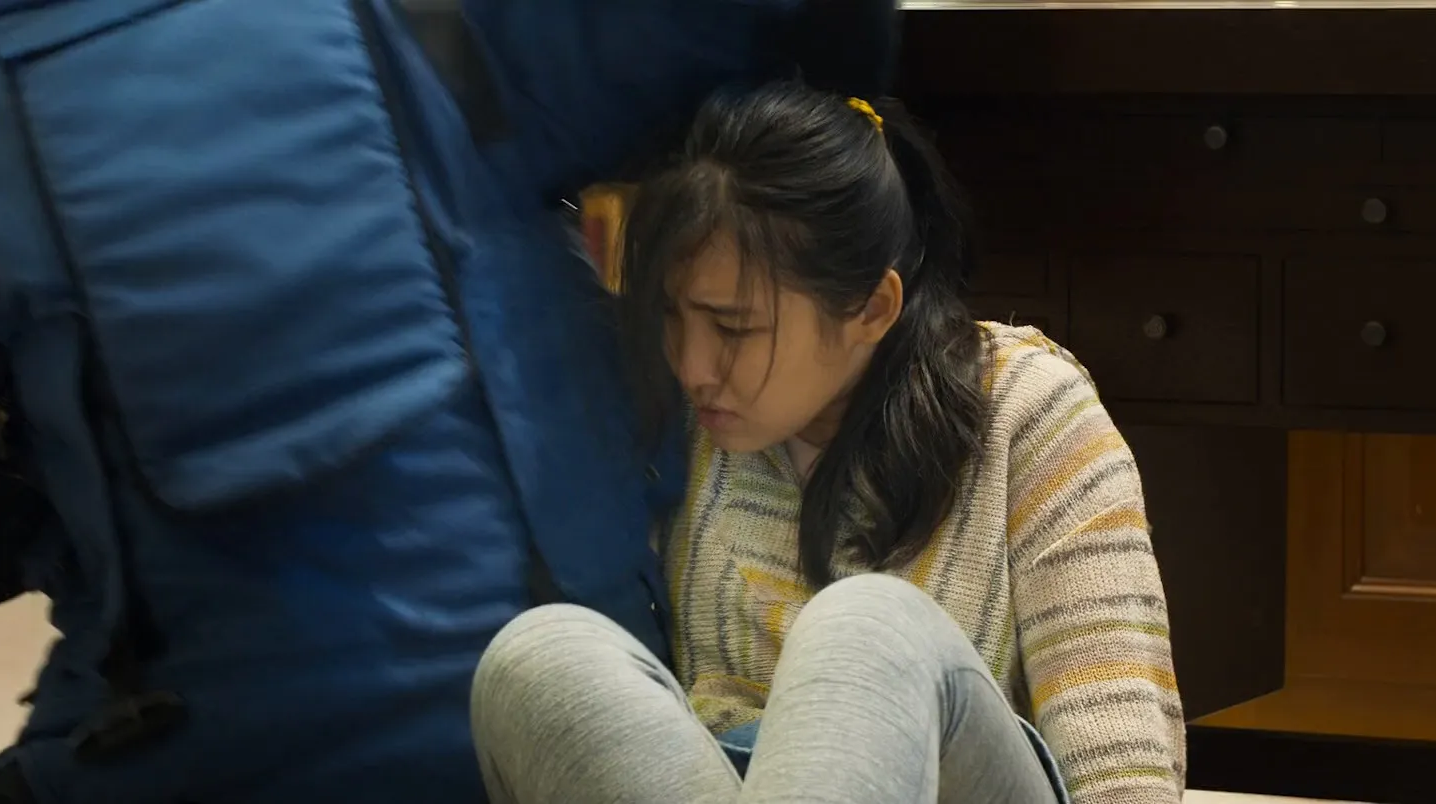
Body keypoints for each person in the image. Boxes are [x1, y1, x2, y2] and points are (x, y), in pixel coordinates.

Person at [0, 1, 908, 802]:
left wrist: (86, 477)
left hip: (190, 751)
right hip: (565, 722)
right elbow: (795, 24)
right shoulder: (424, 24)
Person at [471, 82, 1186, 804]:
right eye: (672, 316)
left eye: (733, 327)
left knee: (865, 629)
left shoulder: (1028, 410)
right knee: (541, 656)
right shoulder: (679, 425)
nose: (691, 365)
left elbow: (1121, 761)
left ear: (872, 308)